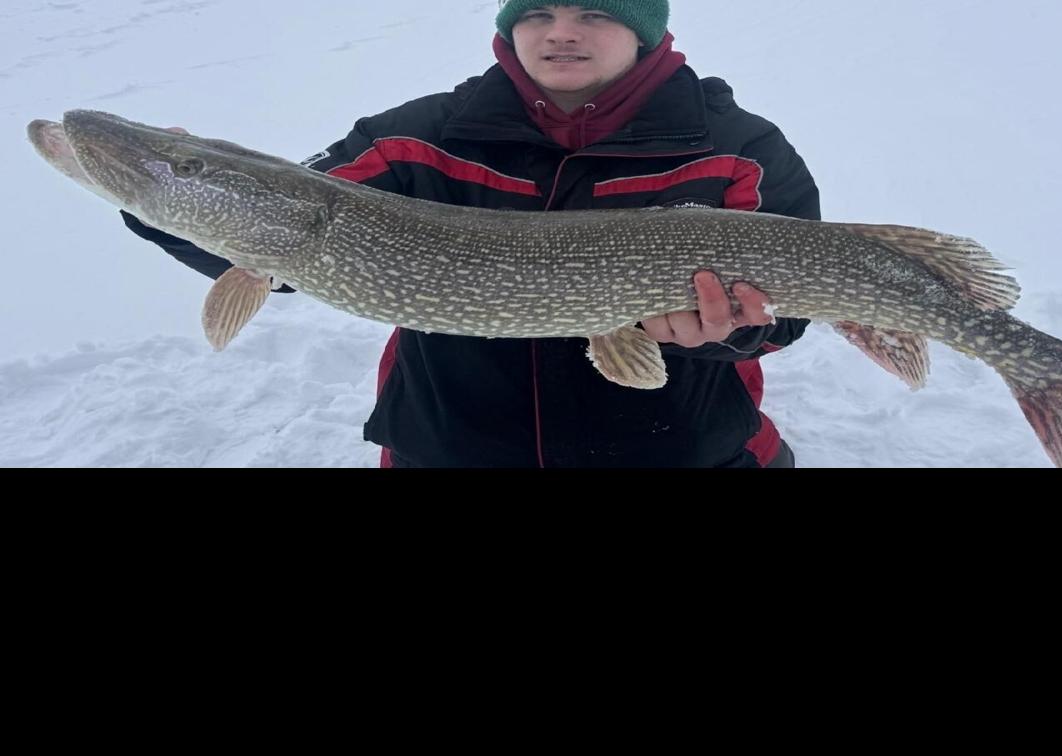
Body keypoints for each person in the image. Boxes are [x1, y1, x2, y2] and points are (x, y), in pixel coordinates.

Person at [122, 0, 821, 468]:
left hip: (685, 453)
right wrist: (168, 197)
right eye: (538, 13)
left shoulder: (738, 149)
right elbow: (284, 234)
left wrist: (727, 333)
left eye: (594, 13)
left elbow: (789, 312)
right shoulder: (415, 138)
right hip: (452, 450)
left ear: (644, 28)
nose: (561, 32)